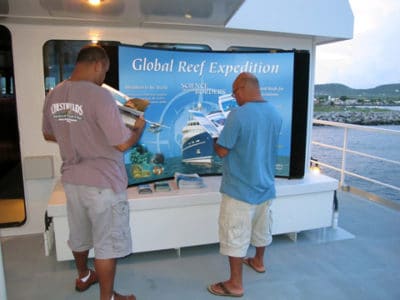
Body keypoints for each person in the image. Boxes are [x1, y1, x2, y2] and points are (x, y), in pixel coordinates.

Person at [42, 44, 145, 300]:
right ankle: (108, 298)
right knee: (106, 246)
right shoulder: (99, 96)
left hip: (72, 181)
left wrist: (79, 137)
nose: (103, 78)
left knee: (79, 235)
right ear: (98, 64)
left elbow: (48, 133)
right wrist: (138, 129)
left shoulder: (54, 93)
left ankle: (84, 276)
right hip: (103, 183)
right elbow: (122, 143)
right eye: (105, 71)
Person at [208, 72, 282, 297]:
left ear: (241, 88)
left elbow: (222, 150)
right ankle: (258, 261)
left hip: (240, 190)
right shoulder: (275, 113)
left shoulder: (237, 115)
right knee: (261, 228)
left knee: (235, 236)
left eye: (234, 92)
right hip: (266, 187)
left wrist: (213, 137)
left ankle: (235, 284)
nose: (234, 96)